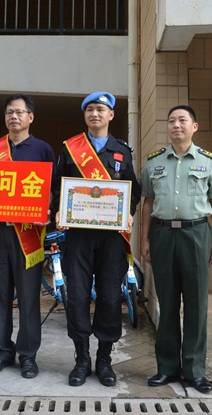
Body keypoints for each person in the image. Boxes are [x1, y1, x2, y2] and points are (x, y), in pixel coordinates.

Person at [52, 91, 141, 387]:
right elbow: (57, 188)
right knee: (76, 296)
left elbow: (134, 190)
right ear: (85, 115)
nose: (95, 114)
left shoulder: (122, 151)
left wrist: (128, 212)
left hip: (111, 238)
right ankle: (81, 359)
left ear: (111, 115)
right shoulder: (70, 148)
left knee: (109, 296)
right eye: (90, 109)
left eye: (101, 109)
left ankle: (104, 359)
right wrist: (58, 212)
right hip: (77, 236)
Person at [139, 105, 212, 394]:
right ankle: (167, 368)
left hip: (197, 233)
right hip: (163, 235)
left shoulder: (208, 162)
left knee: (197, 305)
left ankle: (195, 370)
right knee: (166, 302)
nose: (176, 125)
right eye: (172, 120)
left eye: (182, 120)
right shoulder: (154, 163)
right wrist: (145, 239)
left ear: (194, 127)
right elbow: (148, 203)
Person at [0, 94, 56, 379]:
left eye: (19, 112)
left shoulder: (43, 149)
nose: (14, 117)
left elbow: (52, 190)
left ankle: (28, 355)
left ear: (30, 117)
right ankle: (1, 351)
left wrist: (48, 207)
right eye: (9, 112)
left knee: (28, 297)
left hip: (29, 234)